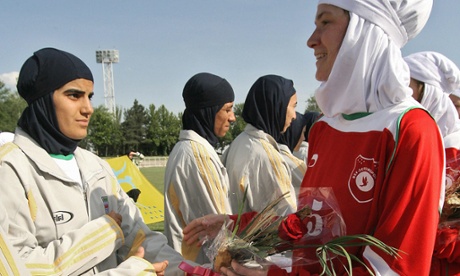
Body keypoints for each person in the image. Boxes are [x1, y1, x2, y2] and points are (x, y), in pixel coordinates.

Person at [184, 0, 444, 275]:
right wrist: (233, 223)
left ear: (364, 31)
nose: (311, 40)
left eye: (326, 22)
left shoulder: (411, 130)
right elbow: (307, 224)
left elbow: (394, 268)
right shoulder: (324, 128)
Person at [0, 47, 182, 275]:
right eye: (74, 95)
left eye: (90, 96)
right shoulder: (10, 170)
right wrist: (104, 233)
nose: (88, 109)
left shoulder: (97, 167)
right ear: (43, 101)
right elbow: (18, 269)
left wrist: (198, 271)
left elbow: (142, 240)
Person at [163, 72, 236, 264]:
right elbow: (218, 235)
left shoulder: (192, 149)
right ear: (209, 111)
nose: (233, 118)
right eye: (227, 109)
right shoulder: (196, 156)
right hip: (201, 267)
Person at [404, 51, 460, 275]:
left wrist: (440, 239)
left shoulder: (456, 149)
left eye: (408, 88)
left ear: (431, 94)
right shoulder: (400, 141)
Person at [222, 74, 298, 216]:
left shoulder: (238, 142)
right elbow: (285, 221)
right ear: (277, 106)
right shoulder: (266, 156)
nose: (294, 115)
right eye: (293, 106)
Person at [276, 111, 307, 196]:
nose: (304, 138)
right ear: (294, 132)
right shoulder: (296, 165)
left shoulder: (271, 153)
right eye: (302, 132)